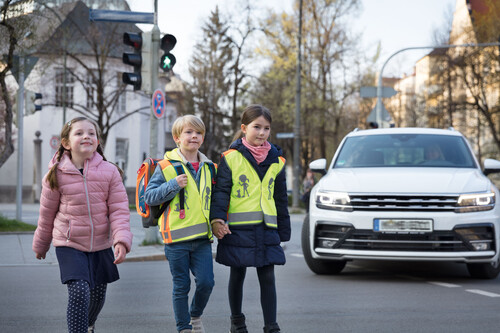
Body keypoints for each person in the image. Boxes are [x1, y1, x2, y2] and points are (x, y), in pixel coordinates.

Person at [32, 117, 133, 333]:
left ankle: (88, 325)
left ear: (97, 141)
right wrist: (41, 244)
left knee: (97, 297)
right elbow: (46, 214)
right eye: (79, 133)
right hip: (69, 243)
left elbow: (119, 210)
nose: (86, 136)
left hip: (101, 244)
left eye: (91, 133)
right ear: (66, 143)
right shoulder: (55, 174)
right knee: (79, 291)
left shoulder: (109, 171)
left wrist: (121, 240)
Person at [211, 104, 291, 333]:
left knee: (268, 277)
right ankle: (237, 322)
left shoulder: (278, 161)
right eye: (257, 127)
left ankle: (271, 326)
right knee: (237, 274)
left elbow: (280, 199)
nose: (262, 133)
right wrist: (217, 220)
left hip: (267, 229)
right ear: (244, 128)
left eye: (266, 128)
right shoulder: (231, 158)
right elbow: (221, 193)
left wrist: (283, 232)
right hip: (237, 229)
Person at [144, 115, 215, 333]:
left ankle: (195, 314)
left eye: (198, 133)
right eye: (188, 132)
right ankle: (184, 327)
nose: (194, 136)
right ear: (177, 137)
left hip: (202, 239)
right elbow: (150, 197)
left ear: (202, 138)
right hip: (175, 239)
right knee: (181, 286)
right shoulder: (165, 166)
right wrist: (173, 184)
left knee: (206, 283)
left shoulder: (210, 167)